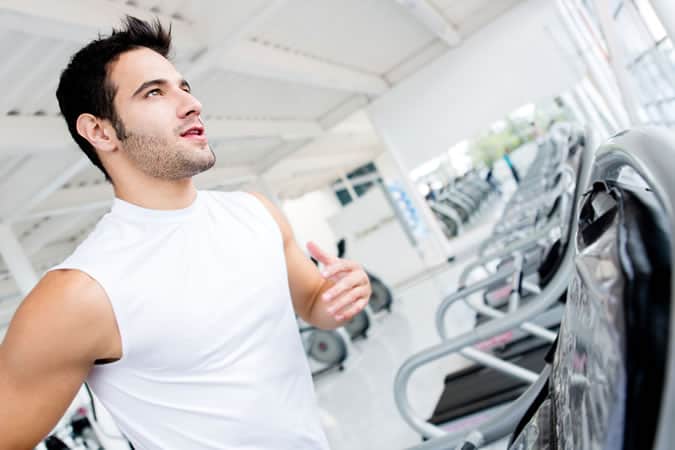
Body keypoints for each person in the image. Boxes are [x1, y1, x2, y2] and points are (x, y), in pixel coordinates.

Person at [0, 16, 371, 449]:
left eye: (184, 87)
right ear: (99, 131)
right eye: (154, 92)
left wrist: (340, 294)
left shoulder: (255, 214)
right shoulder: (80, 293)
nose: (190, 104)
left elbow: (311, 303)